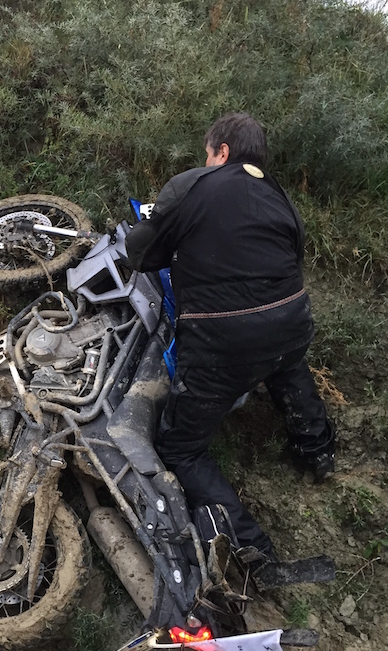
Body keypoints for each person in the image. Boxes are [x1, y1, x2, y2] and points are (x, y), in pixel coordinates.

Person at [125, 112, 335, 563]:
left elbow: (140, 254)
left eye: (207, 153)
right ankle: (318, 451)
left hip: (221, 346)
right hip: (292, 323)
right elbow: (295, 253)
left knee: (180, 449)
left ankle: (254, 549)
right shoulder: (278, 194)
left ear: (221, 151)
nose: (206, 160)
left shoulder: (193, 184)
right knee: (285, 364)